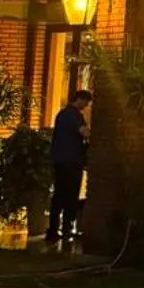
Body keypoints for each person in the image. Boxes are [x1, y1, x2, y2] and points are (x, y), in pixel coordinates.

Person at [47, 89, 91, 246]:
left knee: (59, 195)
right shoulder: (74, 115)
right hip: (72, 161)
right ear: (80, 99)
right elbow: (84, 133)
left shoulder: (62, 114)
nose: (86, 106)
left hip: (59, 161)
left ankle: (52, 230)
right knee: (71, 196)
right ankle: (66, 230)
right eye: (86, 103)